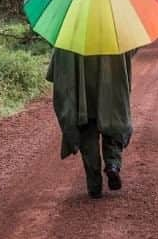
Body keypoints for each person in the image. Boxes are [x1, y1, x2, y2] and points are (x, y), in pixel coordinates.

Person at [46, 48, 135, 199]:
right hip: (111, 93)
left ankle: (94, 185)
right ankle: (112, 165)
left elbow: (56, 72)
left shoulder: (70, 35)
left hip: (83, 100)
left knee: (87, 138)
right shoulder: (115, 35)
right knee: (114, 128)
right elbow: (130, 53)